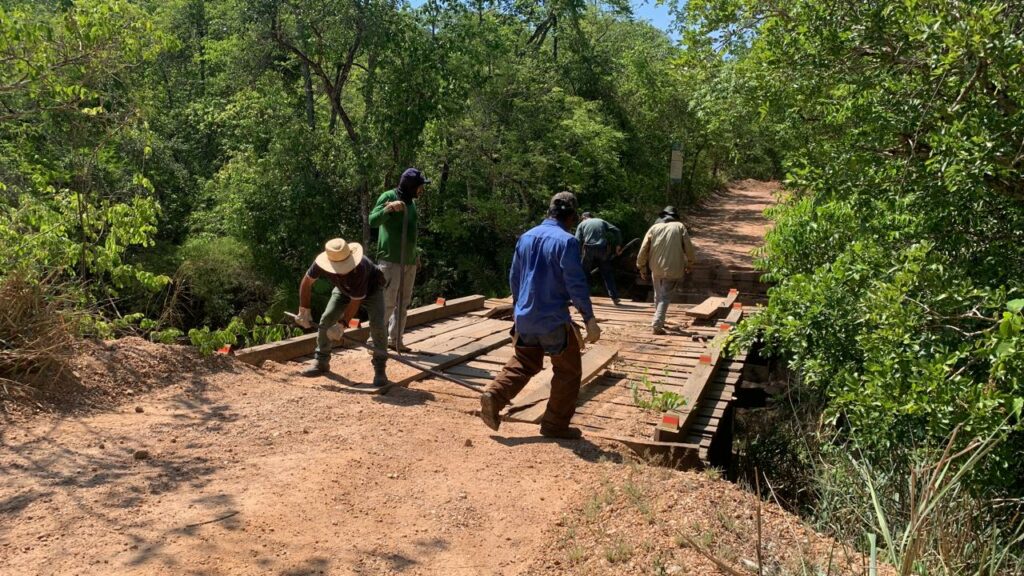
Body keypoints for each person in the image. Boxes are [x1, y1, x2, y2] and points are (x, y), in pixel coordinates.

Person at [478, 192, 602, 439]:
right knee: (568, 370)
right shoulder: (567, 241)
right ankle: (555, 425)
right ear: (572, 217)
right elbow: (575, 283)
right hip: (552, 319)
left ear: (549, 212)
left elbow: (514, 277)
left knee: (526, 361)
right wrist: (589, 319)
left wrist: (518, 308)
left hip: (524, 316)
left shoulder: (526, 237)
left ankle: (494, 395)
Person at [293, 237, 389, 385]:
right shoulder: (321, 263)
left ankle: (380, 368)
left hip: (372, 290)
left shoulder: (361, 268)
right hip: (343, 289)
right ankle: (321, 361)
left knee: (377, 325)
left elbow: (355, 301)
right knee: (327, 317)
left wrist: (342, 324)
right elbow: (306, 283)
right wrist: (304, 310)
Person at [368, 167, 430, 352]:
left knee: (403, 303)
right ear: (411, 186)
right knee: (387, 302)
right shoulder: (388, 196)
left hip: (408, 261)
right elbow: (372, 220)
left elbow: (411, 233)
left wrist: (414, 256)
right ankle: (374, 341)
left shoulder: (411, 203)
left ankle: (395, 339)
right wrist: (388, 209)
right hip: (390, 260)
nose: (422, 190)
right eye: (420, 187)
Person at [636, 206, 697, 335]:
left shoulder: (654, 228)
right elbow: (688, 247)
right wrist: (690, 263)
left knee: (658, 295)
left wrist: (641, 266)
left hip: (655, 267)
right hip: (673, 268)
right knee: (665, 297)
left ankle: (659, 320)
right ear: (675, 217)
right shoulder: (679, 227)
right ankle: (657, 324)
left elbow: (643, 249)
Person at [575, 212, 623, 305]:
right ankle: (615, 297)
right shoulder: (601, 221)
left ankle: (585, 297)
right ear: (592, 217)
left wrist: (577, 255)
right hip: (602, 249)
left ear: (583, 218)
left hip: (589, 249)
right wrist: (618, 246)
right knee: (607, 273)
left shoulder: (582, 224)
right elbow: (617, 230)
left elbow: (577, 240)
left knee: (585, 273)